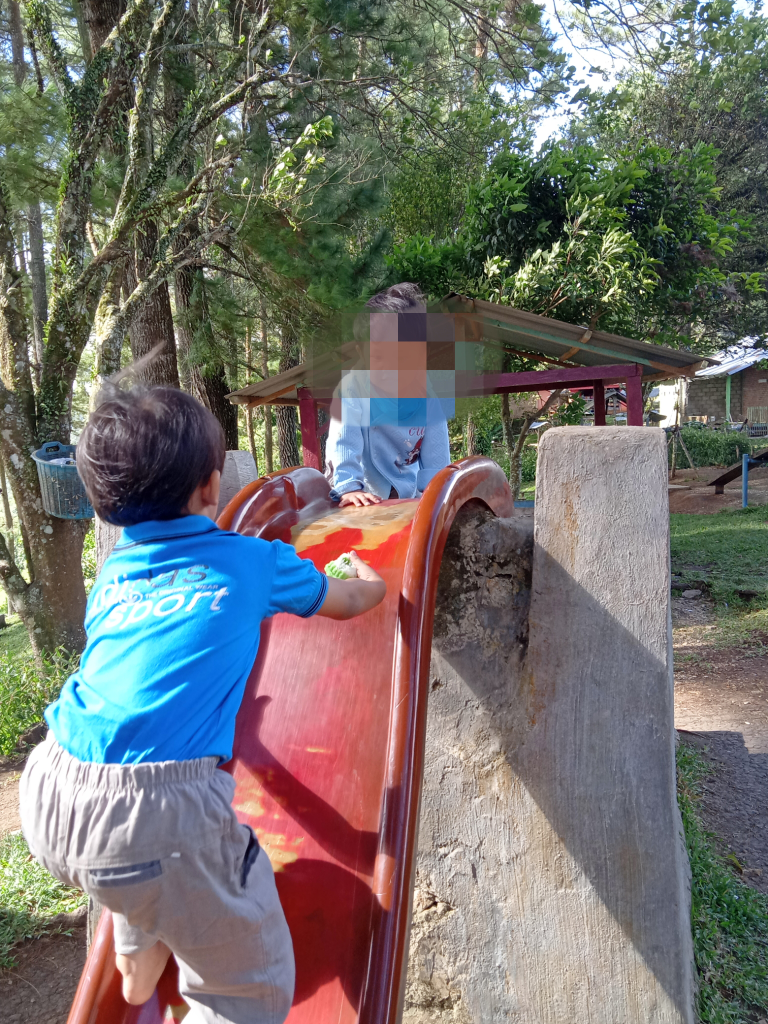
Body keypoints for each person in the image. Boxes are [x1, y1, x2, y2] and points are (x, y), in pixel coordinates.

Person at [19, 385, 385, 1024]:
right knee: (249, 989)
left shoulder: (113, 576)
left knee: (136, 879)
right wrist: (371, 578)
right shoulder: (252, 560)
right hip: (165, 819)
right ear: (212, 487)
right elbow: (350, 604)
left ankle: (137, 964)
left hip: (51, 791)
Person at [326, 283, 452, 508]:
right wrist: (349, 487)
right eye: (379, 359)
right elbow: (343, 439)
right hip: (362, 488)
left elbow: (437, 457)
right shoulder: (354, 391)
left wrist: (437, 495)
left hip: (406, 490)